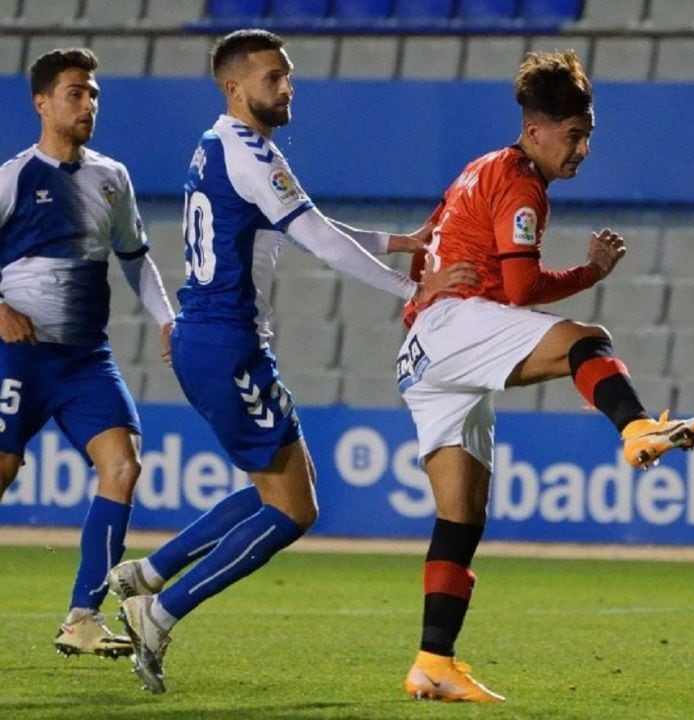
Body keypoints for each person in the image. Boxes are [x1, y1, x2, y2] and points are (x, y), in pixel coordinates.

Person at [104, 29, 475, 694]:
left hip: (211, 338)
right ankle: (158, 611)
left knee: (275, 491)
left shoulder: (223, 145)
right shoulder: (248, 152)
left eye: (288, 75)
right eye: (272, 77)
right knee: (293, 511)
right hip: (228, 344)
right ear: (235, 87)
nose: (286, 87)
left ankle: (150, 574)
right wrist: (414, 288)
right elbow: (317, 240)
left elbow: (310, 227)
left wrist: (400, 242)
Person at [395, 50, 694, 703]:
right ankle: (637, 429)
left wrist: (429, 291)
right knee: (588, 340)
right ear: (536, 129)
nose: (581, 151)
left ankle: (433, 662)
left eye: (588, 138)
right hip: (456, 326)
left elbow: (422, 249)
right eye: (573, 137)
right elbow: (519, 290)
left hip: (421, 350)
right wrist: (589, 275)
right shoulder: (521, 183)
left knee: (461, 513)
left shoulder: (478, 168)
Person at [0, 48, 176, 659]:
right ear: (41, 102)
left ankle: (82, 616)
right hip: (18, 356)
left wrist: (166, 318)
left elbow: (135, 258)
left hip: (84, 359)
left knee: (124, 467)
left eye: (94, 93)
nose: (88, 104)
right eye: (75, 92)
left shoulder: (112, 178)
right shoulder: (14, 177)